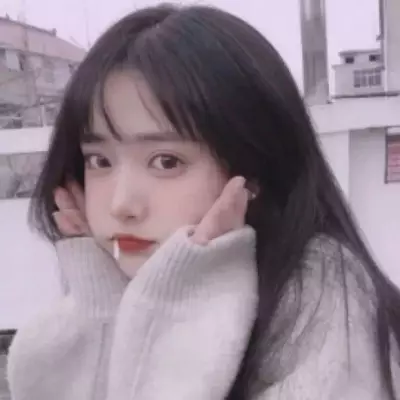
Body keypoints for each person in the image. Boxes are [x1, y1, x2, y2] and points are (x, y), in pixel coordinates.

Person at [6, 4, 400, 400]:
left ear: (253, 173)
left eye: (166, 162)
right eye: (100, 161)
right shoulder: (120, 280)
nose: (121, 205)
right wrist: (103, 311)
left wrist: (180, 307)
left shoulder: (323, 303)